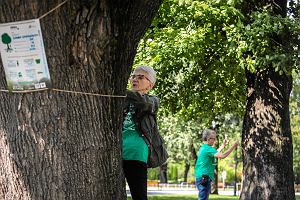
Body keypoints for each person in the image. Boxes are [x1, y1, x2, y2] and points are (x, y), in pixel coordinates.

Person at [122, 66, 158, 200]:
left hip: (136, 153)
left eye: (141, 77)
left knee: (139, 196)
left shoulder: (153, 100)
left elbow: (144, 103)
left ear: (150, 85)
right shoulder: (123, 99)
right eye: (133, 76)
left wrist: (120, 91)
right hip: (117, 152)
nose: (135, 79)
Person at [195, 129, 239, 200]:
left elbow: (216, 153)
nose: (215, 141)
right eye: (214, 139)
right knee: (203, 198)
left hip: (203, 177)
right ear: (209, 139)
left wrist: (223, 145)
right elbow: (222, 155)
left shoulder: (204, 148)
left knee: (204, 198)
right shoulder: (208, 148)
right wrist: (234, 146)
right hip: (204, 177)